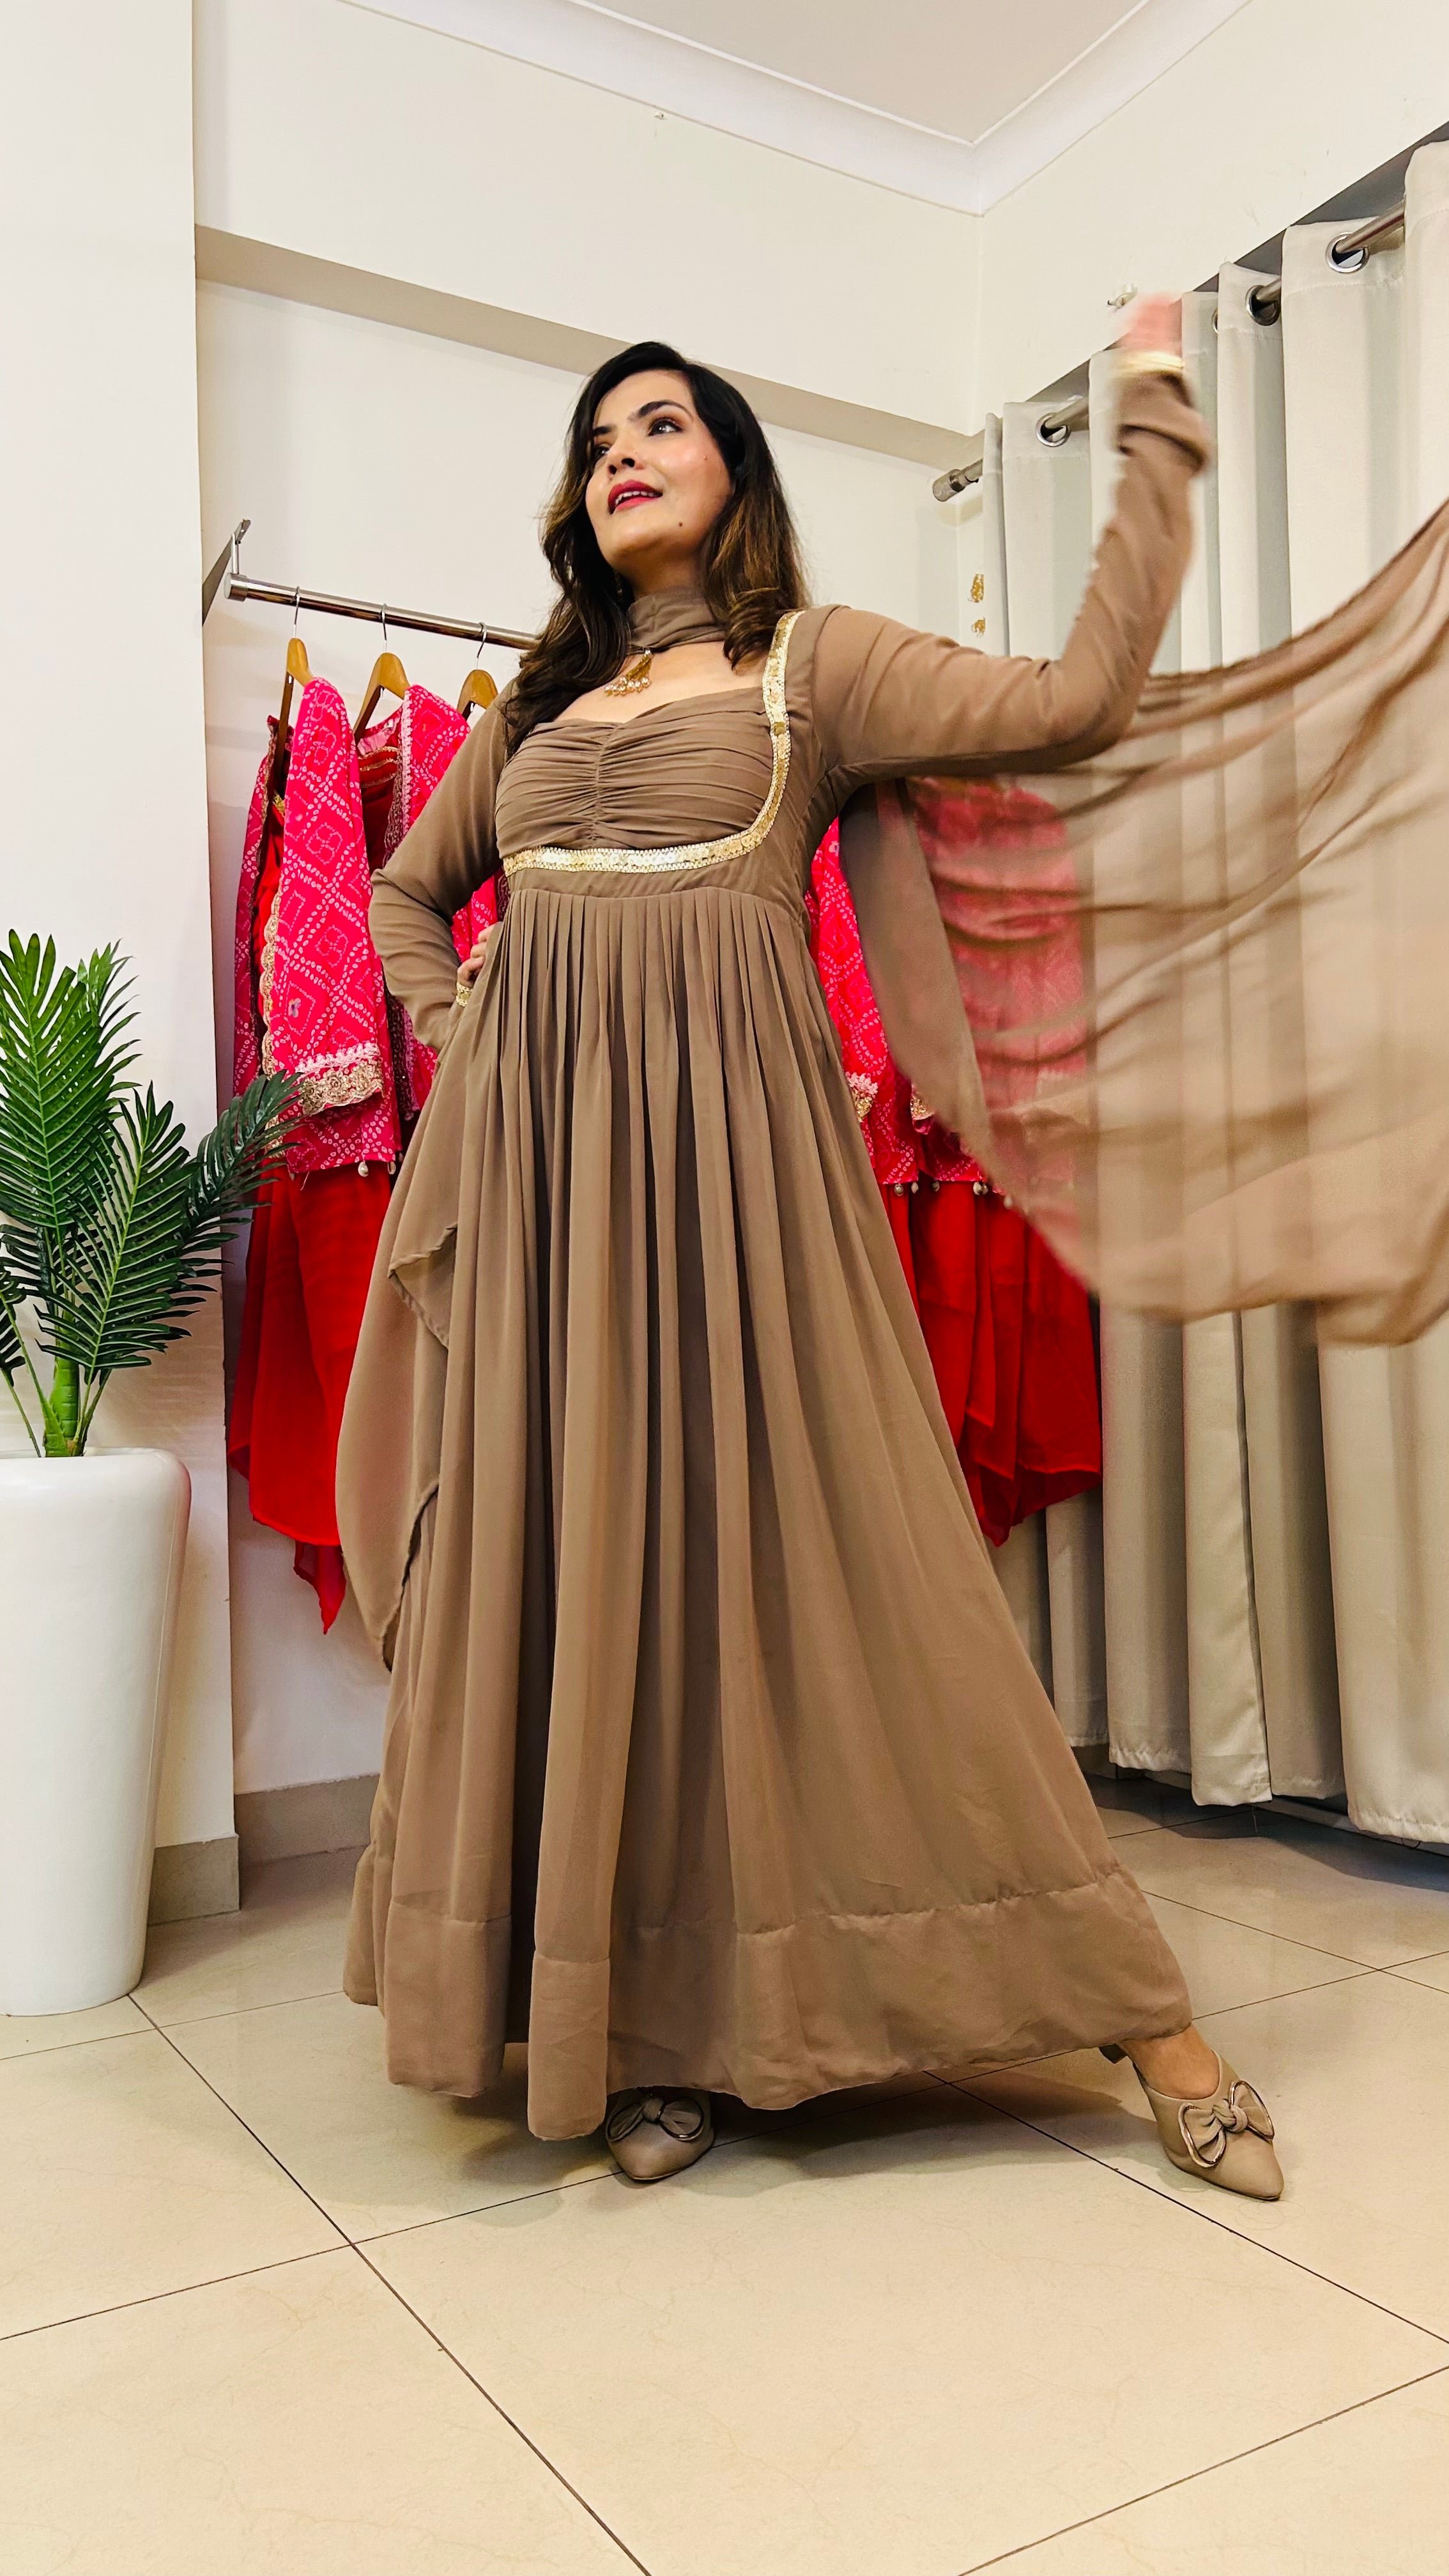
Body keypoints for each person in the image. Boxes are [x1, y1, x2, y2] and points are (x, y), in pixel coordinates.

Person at [335, 297, 1282, 2203]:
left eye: (662, 424)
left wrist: (1157, 422)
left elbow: (1079, 699)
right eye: (599, 437)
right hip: (550, 1209)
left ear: (735, 471)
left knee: (840, 1570)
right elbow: (406, 896)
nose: (621, 452)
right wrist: (467, 1034)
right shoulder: (528, 718)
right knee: (596, 1573)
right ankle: (663, 2031)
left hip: (744, 1197)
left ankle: (1137, 2010)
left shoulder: (815, 671)